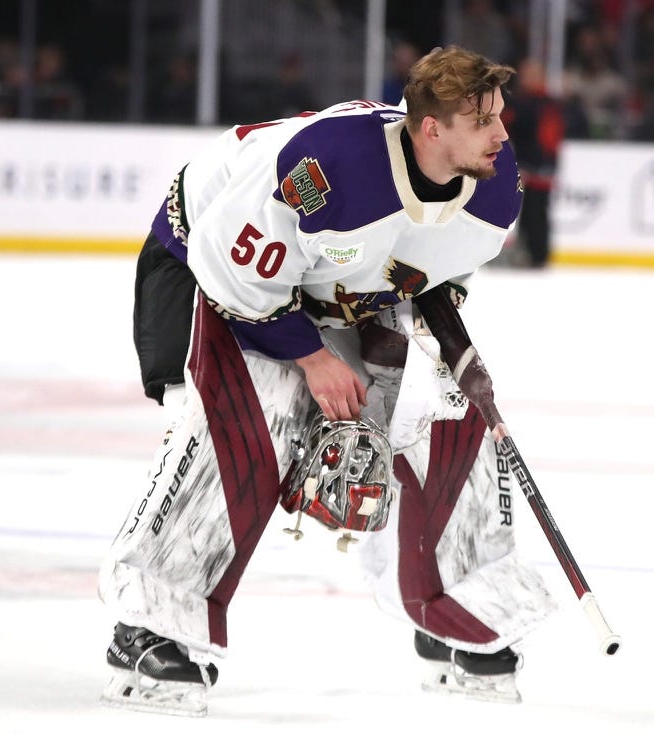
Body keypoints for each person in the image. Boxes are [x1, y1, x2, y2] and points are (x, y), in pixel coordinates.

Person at [98, 45, 557, 717]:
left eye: (500, 117)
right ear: (432, 129)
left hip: (339, 288)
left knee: (450, 411)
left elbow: (437, 268)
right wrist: (313, 360)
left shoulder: (493, 179)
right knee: (257, 417)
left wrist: (442, 338)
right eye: (483, 119)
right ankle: (149, 626)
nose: (502, 134)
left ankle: (457, 612)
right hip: (211, 262)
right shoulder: (324, 169)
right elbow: (235, 273)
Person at [502, 57, 564, 268]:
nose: (525, 79)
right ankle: (532, 252)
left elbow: (548, 139)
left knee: (535, 212)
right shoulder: (526, 102)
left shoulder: (540, 104)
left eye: (530, 75)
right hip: (531, 165)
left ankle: (538, 254)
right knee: (530, 212)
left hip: (537, 167)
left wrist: (542, 165)